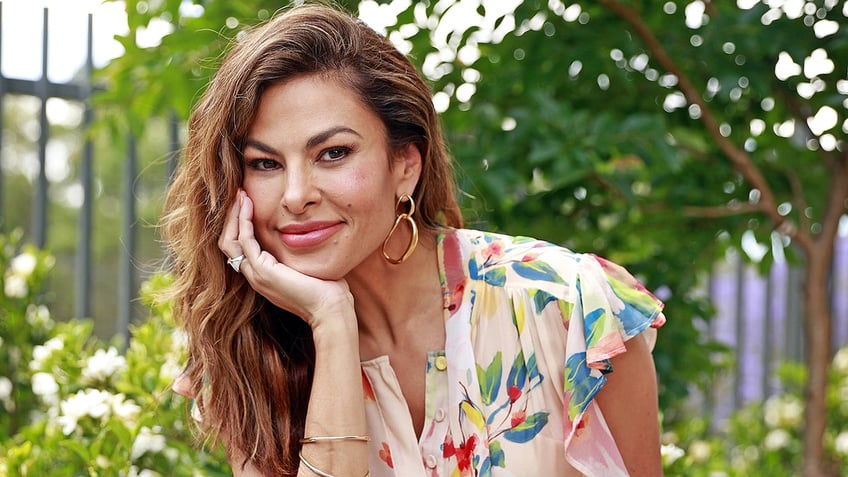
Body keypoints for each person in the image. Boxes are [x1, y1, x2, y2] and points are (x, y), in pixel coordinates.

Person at [164, 2, 667, 476]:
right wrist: (331, 322)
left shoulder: (569, 311)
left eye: (334, 153)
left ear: (405, 164)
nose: (295, 196)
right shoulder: (245, 352)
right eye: (265, 164)